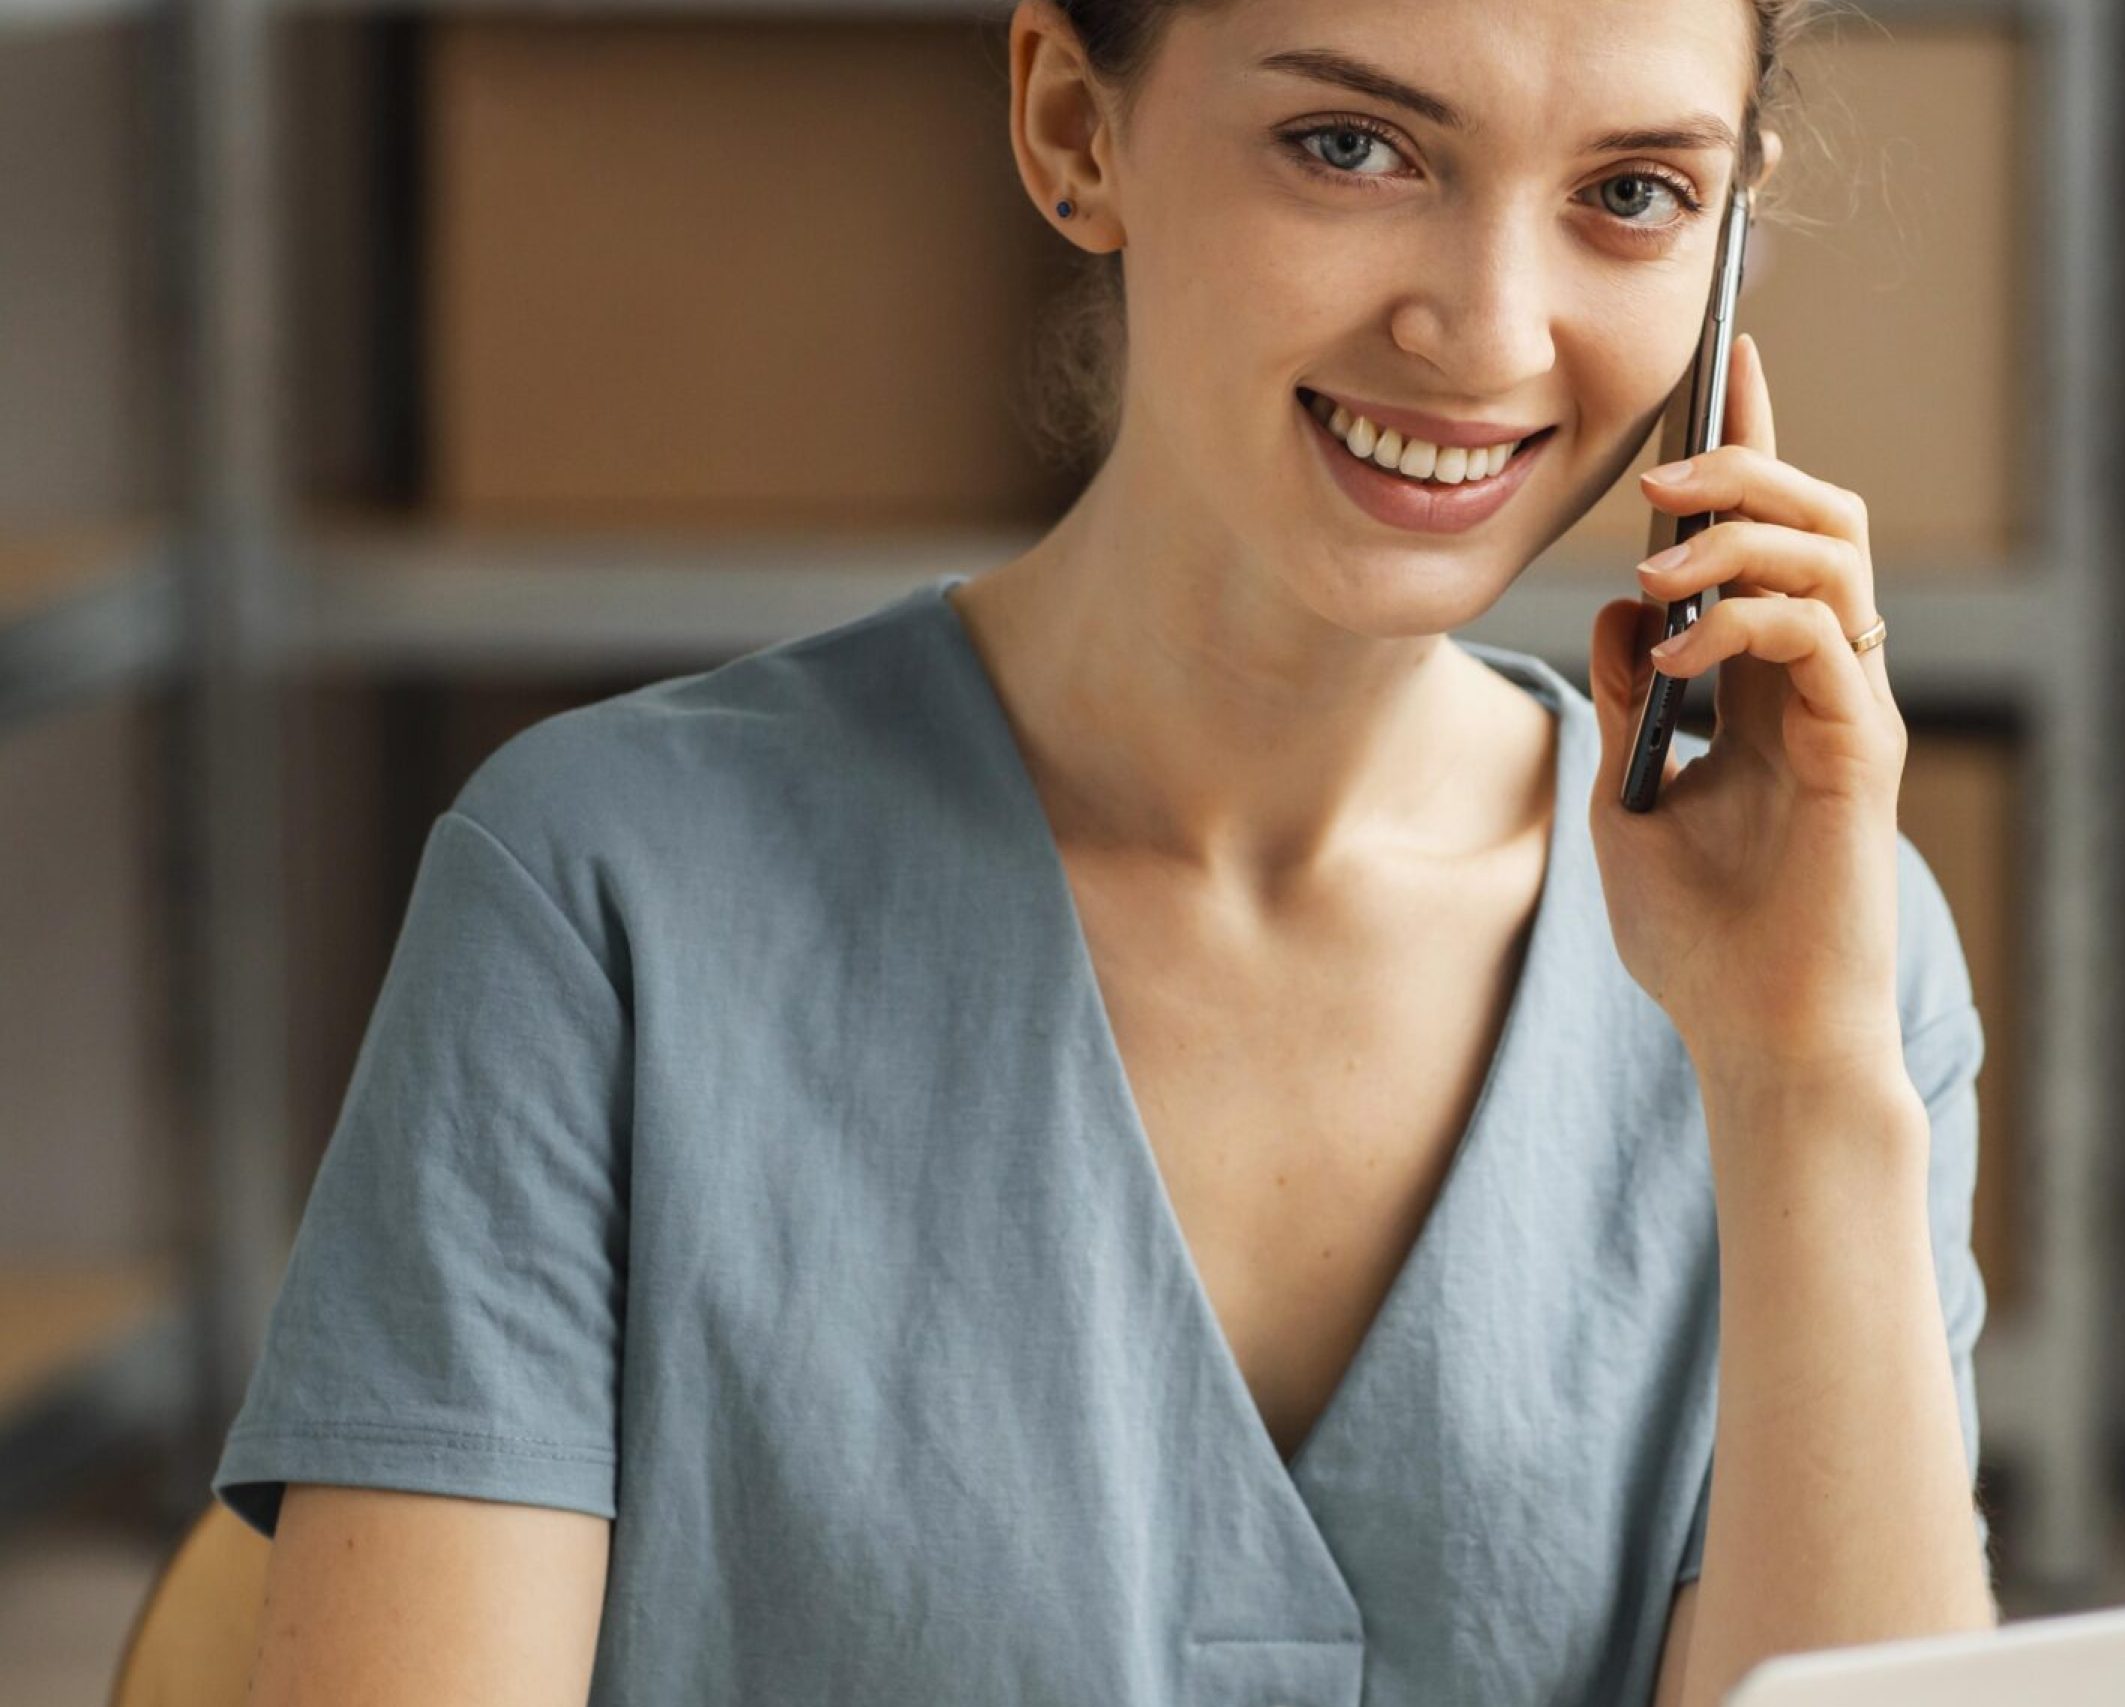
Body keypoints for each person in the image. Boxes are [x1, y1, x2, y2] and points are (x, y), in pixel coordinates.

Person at [217, 1, 1999, 1703]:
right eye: (1352, 144)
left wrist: (1802, 1082)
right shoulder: (601, 900)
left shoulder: (1823, 955)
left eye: (1632, 195)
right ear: (1078, 126)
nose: (1492, 331)